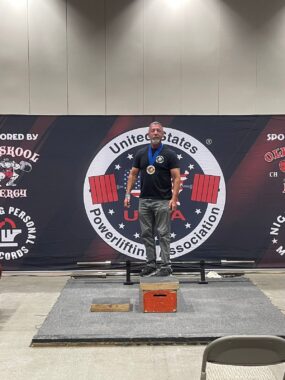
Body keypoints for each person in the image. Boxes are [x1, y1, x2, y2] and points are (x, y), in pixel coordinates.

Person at [124, 121, 180, 276]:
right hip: (144, 200)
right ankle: (150, 264)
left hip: (163, 200)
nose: (155, 133)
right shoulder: (141, 153)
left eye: (158, 131)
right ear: (148, 134)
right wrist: (127, 194)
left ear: (163, 134)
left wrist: (174, 199)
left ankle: (166, 265)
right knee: (146, 233)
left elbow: (176, 178)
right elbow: (133, 175)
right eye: (153, 130)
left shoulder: (169, 154)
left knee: (163, 233)